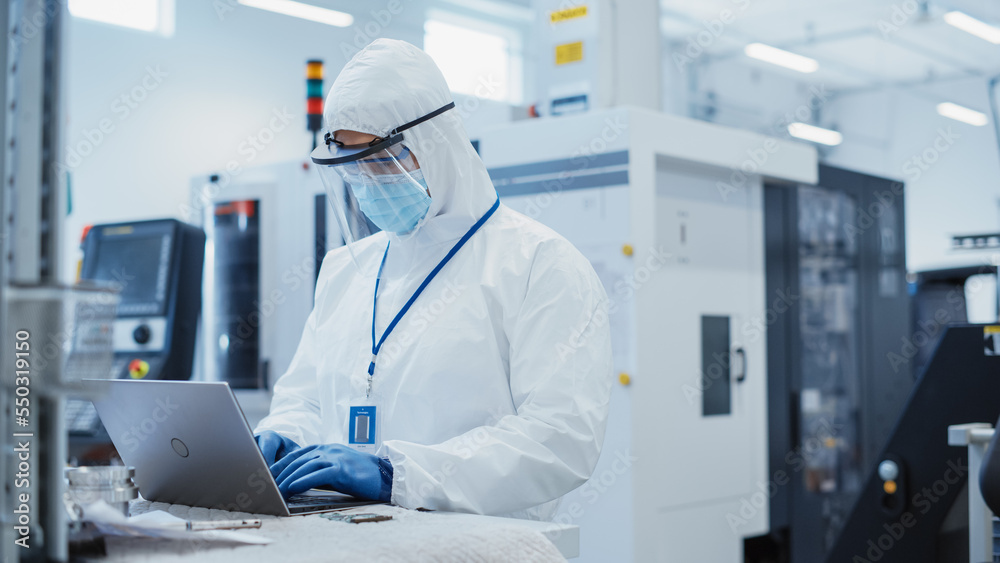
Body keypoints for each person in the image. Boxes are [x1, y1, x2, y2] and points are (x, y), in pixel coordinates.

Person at [253, 38, 612, 520]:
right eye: (353, 165)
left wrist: (395, 475)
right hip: (348, 538)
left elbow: (560, 439)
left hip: (483, 547)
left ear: (435, 144)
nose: (367, 181)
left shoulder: (540, 265)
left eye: (381, 159)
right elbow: (306, 397)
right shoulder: (346, 270)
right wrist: (285, 433)